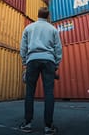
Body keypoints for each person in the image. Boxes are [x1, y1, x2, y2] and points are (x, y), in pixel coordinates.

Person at [19, 7, 62, 135]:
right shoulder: (53, 29)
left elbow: (23, 47)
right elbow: (58, 48)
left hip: (32, 60)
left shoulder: (29, 28)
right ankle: (48, 127)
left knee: (29, 92)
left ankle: (27, 124)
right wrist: (56, 64)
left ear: (37, 15)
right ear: (47, 17)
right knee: (49, 92)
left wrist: (25, 63)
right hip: (49, 61)